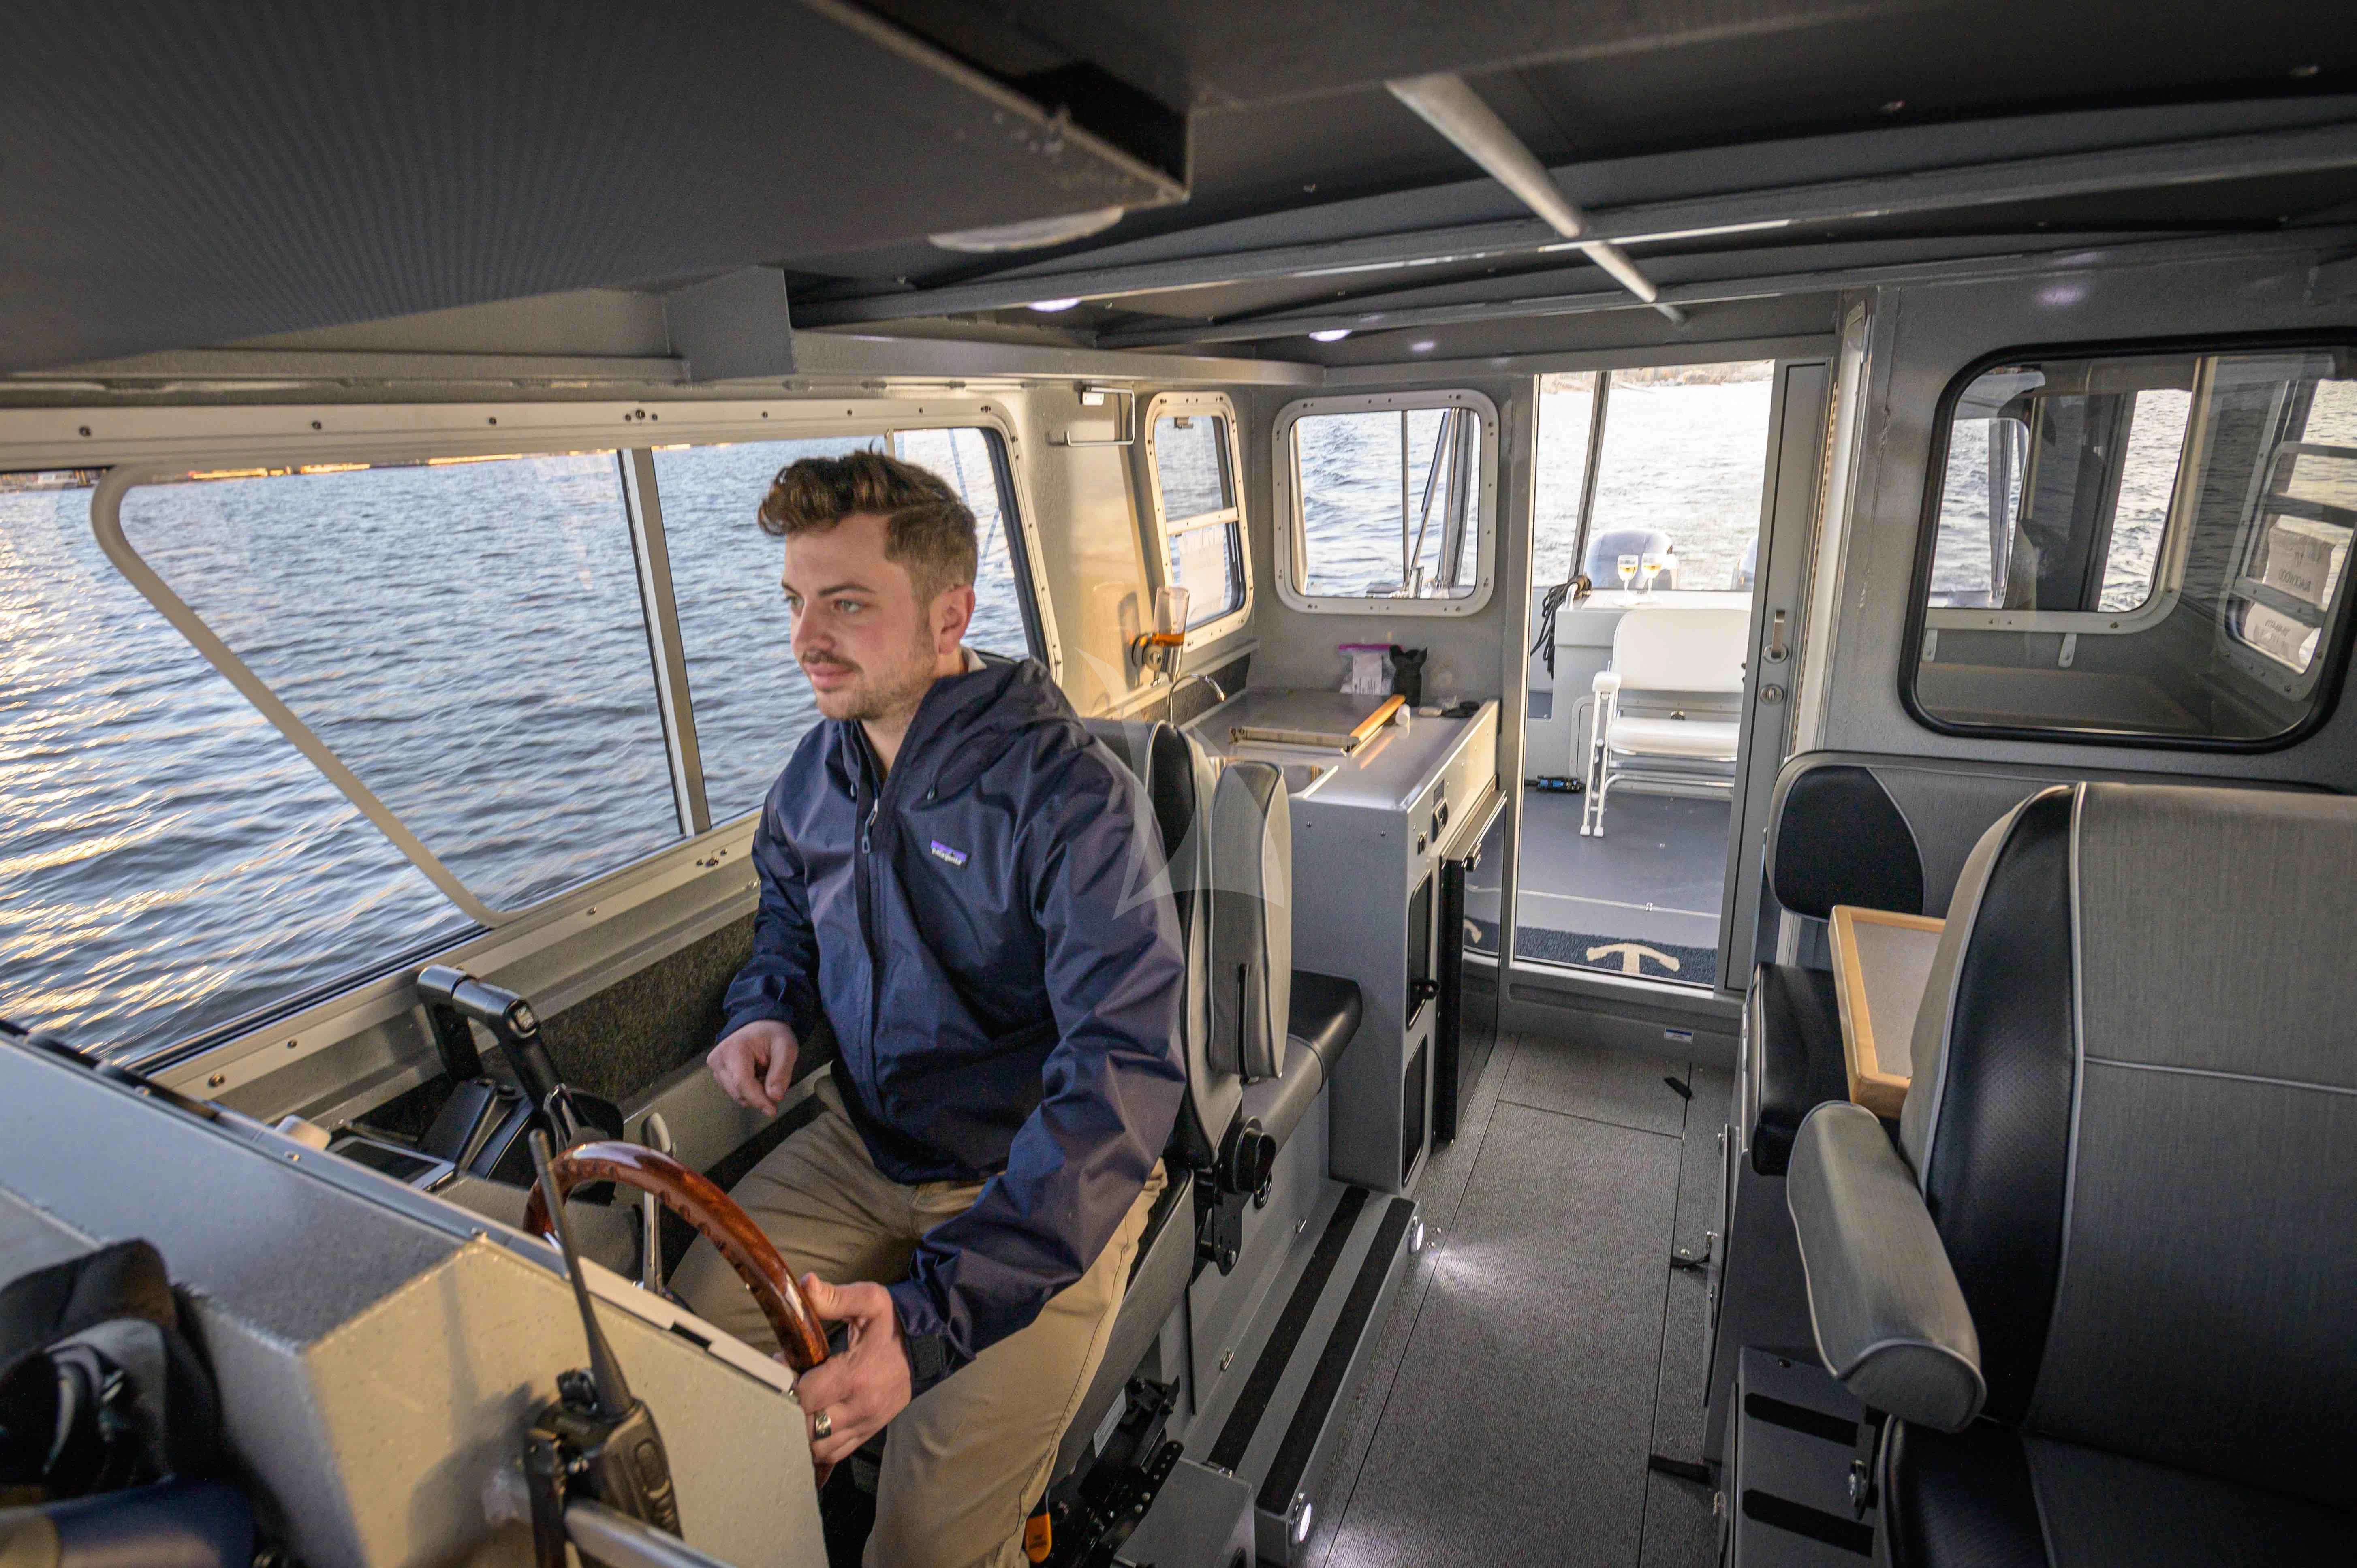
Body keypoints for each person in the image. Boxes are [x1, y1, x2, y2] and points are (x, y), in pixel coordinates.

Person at [672, 450, 1186, 1568]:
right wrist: (766, 1008)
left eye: (847, 604)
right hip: (867, 1148)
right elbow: (787, 914)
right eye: (797, 602)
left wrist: (931, 1322)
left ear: (951, 613)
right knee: (672, 1363)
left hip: (1038, 1175)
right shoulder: (819, 772)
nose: (807, 638)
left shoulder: (1073, 799)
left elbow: (1123, 1074)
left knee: (923, 1543)